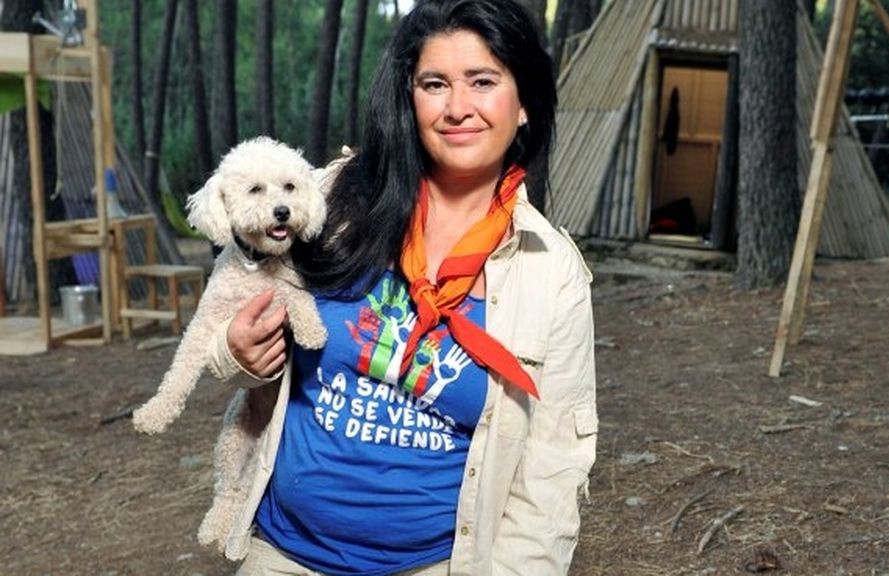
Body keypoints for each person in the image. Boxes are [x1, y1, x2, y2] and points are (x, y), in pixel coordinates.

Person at [207, 0, 597, 574]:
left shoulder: (551, 271)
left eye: (483, 81)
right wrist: (234, 352)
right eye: (435, 83)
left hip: (437, 564)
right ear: (409, 98)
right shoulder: (333, 198)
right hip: (283, 552)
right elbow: (230, 316)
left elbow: (552, 470)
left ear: (524, 106)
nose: (458, 108)